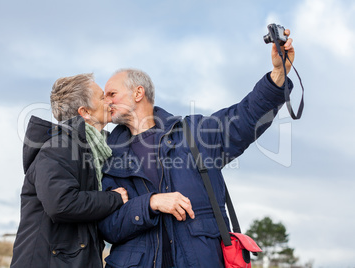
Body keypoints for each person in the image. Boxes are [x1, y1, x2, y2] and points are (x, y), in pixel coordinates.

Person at [98, 29, 295, 268]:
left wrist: (278, 74)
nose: (105, 101)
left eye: (112, 94)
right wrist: (151, 203)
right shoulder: (107, 155)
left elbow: (245, 116)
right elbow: (107, 226)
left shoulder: (194, 132)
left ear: (138, 92)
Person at [11, 73, 128, 268]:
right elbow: (60, 203)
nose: (109, 101)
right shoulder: (59, 146)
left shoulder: (92, 150)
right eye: (101, 97)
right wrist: (114, 199)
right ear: (85, 112)